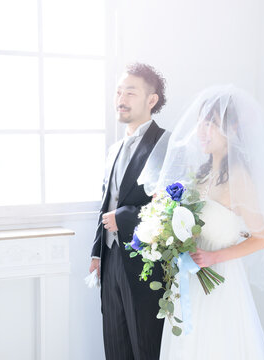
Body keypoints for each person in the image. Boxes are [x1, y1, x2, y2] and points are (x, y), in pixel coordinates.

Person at [139, 85, 264, 359]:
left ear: (232, 130)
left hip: (220, 282)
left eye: (210, 123)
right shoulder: (201, 175)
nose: (201, 130)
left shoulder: (239, 178)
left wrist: (214, 256)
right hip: (190, 279)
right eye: (200, 123)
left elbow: (262, 238)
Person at [89, 62, 170, 359]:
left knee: (145, 345)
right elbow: (106, 200)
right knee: (115, 343)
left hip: (145, 263)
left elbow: (172, 207)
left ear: (151, 100)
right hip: (110, 261)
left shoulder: (166, 143)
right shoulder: (114, 148)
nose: (121, 99)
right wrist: (97, 252)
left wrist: (124, 218)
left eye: (130, 92)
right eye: (119, 91)